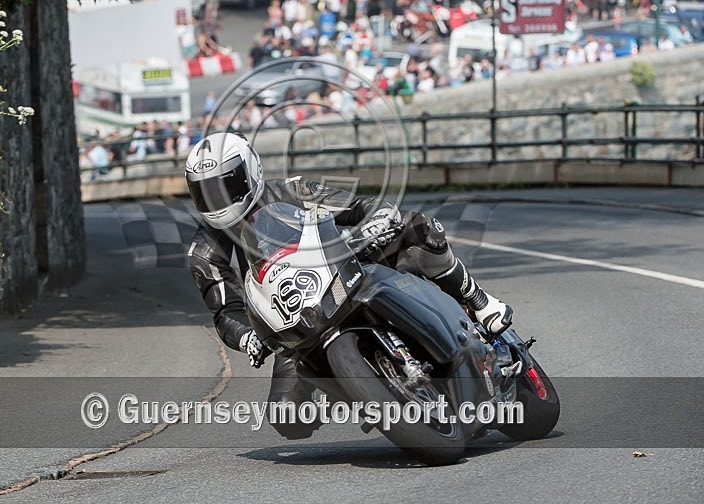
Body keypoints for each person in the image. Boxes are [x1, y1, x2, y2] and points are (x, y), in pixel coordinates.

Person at [185, 132, 513, 439]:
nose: (217, 200)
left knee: (419, 228)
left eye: (225, 186)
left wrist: (379, 218)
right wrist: (248, 338)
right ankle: (360, 388)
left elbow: (355, 206)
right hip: (294, 320)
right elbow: (225, 310)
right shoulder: (203, 251)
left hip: (344, 271)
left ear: (250, 171)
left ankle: (481, 303)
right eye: (206, 192)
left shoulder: (291, 190)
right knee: (287, 418)